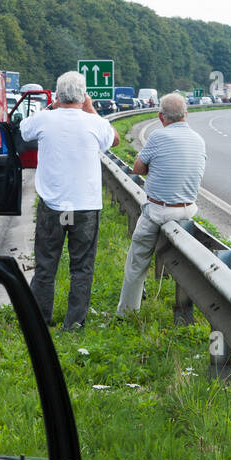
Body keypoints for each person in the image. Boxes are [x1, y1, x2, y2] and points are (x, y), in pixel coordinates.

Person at [20, 70, 120, 329]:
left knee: (45, 265)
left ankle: (39, 320)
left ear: (56, 95)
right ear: (84, 96)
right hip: (84, 207)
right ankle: (74, 323)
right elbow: (115, 138)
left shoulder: (44, 119)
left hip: (53, 206)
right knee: (81, 267)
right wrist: (91, 110)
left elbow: (23, 131)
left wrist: (52, 107)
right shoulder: (94, 123)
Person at [116, 92, 206, 313]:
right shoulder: (199, 140)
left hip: (159, 211)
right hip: (187, 212)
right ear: (186, 114)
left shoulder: (157, 137)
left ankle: (127, 311)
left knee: (137, 261)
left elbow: (137, 168)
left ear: (160, 116)